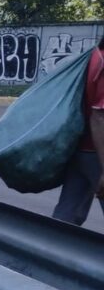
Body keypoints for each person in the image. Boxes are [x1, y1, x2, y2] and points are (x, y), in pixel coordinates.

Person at [52, 34, 104, 225]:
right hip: (97, 154)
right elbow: (99, 117)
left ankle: (46, 252)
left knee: (67, 217)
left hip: (80, 148)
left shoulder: (94, 56)